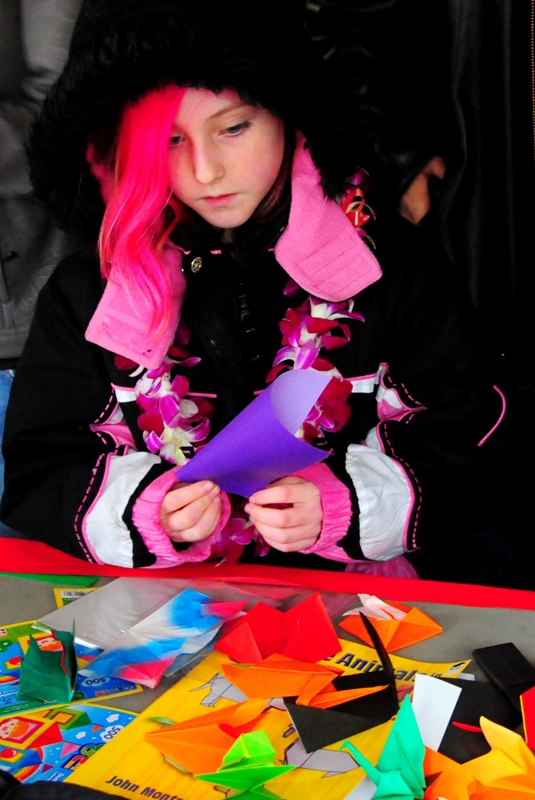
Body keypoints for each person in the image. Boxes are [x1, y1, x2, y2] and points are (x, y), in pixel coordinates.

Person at [0, 0, 505, 581]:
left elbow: (476, 441)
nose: (206, 171)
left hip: (367, 613)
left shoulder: (390, 270)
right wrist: (147, 512)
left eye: (234, 128)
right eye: (171, 140)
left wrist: (351, 504)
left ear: (291, 114)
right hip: (167, 616)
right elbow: (44, 470)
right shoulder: (89, 295)